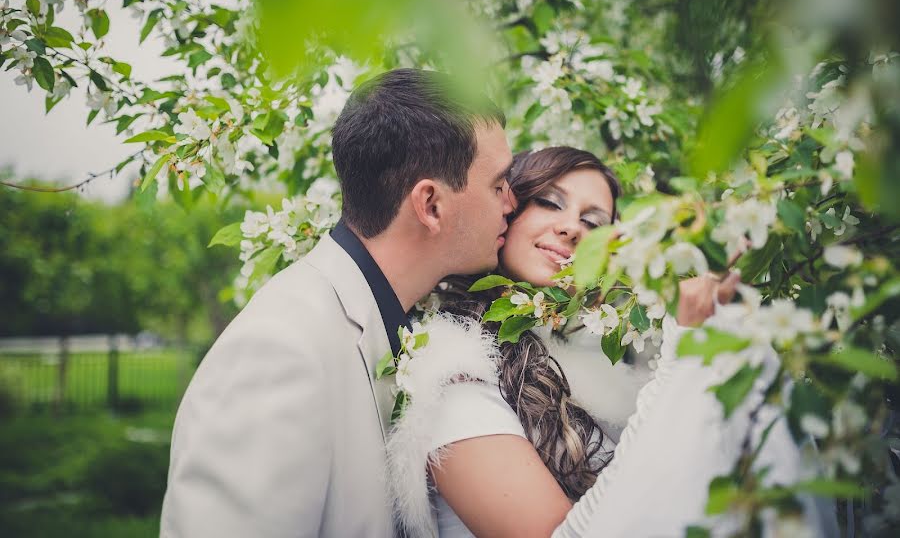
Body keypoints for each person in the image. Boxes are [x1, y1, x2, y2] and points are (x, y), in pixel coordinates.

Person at [385, 147, 825, 537]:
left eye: (593, 222)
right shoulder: (453, 369)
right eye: (549, 202)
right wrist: (685, 356)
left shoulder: (608, 361)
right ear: (507, 212)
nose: (572, 229)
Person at [160, 68, 515, 537]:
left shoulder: (398, 321)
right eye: (497, 185)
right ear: (430, 205)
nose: (512, 202)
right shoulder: (280, 349)